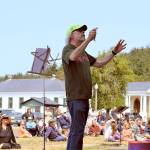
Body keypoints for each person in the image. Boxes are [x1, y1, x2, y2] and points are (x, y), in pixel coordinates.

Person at [62, 24, 126, 150]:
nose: (82, 32)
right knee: (77, 132)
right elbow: (73, 57)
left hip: (84, 98)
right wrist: (88, 40)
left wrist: (114, 52)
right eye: (79, 31)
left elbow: (100, 63)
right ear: (71, 35)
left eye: (83, 31)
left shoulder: (84, 53)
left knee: (78, 132)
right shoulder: (67, 49)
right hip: (76, 97)